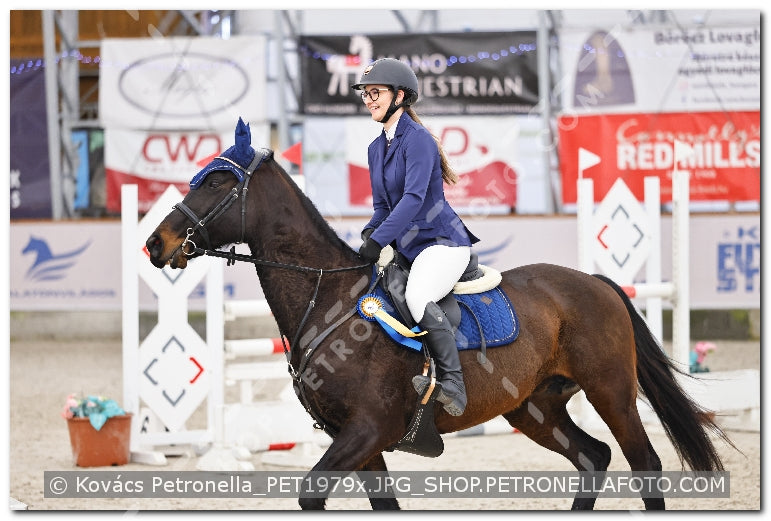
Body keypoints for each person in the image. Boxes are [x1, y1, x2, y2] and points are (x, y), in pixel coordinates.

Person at [351, 58, 480, 416]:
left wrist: (381, 240)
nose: (369, 100)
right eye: (366, 94)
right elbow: (382, 206)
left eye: (375, 92)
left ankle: (453, 383)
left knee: (418, 294)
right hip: (410, 250)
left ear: (400, 95)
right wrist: (368, 235)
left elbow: (413, 199)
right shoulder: (375, 149)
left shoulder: (419, 139)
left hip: (442, 242)